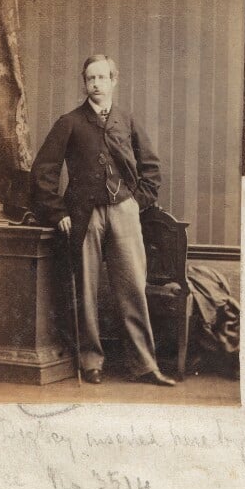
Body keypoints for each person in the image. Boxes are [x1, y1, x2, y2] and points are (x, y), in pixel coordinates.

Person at [31, 54, 175, 386]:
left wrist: (136, 203)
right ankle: (91, 361)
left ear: (113, 80)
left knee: (133, 287)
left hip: (124, 210)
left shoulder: (126, 120)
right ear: (85, 83)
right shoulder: (69, 122)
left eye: (102, 77)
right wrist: (58, 212)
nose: (96, 84)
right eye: (90, 78)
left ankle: (144, 364)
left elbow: (151, 167)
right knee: (86, 288)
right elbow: (43, 172)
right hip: (84, 215)